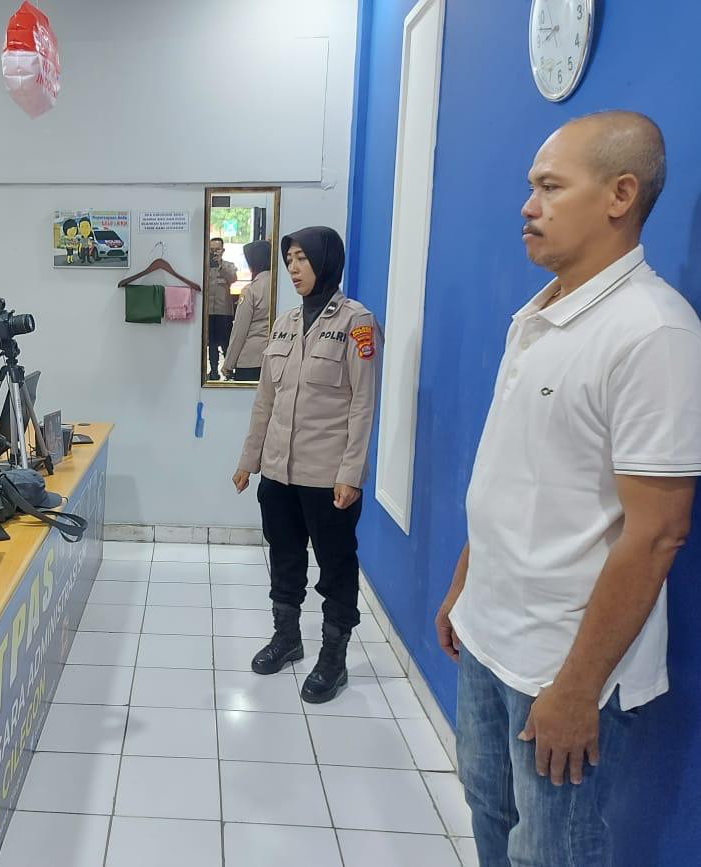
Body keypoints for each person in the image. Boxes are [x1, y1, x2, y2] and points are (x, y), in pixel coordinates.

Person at [434, 112, 701, 866]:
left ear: (620, 195)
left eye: (550, 187)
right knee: (488, 807)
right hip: (489, 634)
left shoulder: (652, 332)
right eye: (532, 187)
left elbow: (657, 533)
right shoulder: (540, 315)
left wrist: (579, 689)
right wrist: (464, 585)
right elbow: (516, 476)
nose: (528, 206)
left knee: (548, 851)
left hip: (560, 664)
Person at [232, 226, 380, 703]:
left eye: (302, 259)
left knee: (336, 566)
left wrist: (351, 474)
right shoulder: (284, 323)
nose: (293, 269)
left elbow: (363, 405)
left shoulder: (357, 323)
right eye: (289, 260)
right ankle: (287, 638)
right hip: (278, 473)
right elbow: (265, 400)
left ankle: (333, 658)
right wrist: (249, 460)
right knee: (285, 557)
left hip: (326, 477)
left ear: (326, 261)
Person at [223, 239, 273, 381]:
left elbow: (240, 330)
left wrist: (228, 364)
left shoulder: (251, 290)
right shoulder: (280, 285)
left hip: (250, 359)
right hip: (274, 358)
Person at [206, 237, 238, 380]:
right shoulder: (204, 266)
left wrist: (220, 265)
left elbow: (233, 278)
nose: (214, 252)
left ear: (223, 250)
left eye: (217, 249)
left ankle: (229, 371)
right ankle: (213, 372)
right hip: (208, 312)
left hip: (224, 312)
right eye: (211, 249)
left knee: (226, 343)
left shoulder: (228, 266)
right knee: (211, 344)